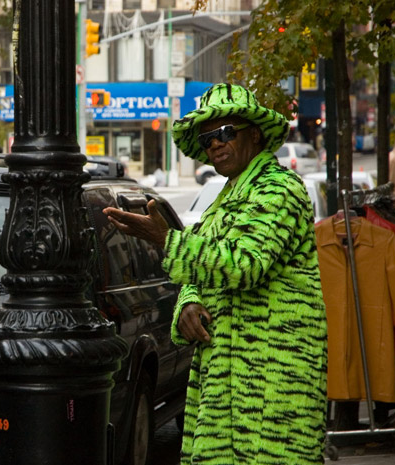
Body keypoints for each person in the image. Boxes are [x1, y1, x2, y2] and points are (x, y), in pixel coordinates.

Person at [103, 83, 327, 464]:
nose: (216, 145)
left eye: (226, 133)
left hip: (276, 384)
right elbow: (201, 271)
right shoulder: (225, 198)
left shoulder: (281, 188)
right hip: (223, 382)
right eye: (208, 140)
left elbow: (244, 264)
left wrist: (166, 240)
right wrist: (189, 302)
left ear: (254, 134)